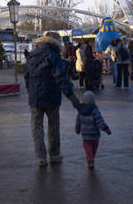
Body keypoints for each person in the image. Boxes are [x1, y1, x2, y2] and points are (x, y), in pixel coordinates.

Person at [24, 31, 79, 166]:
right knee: (53, 126)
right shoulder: (54, 56)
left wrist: (30, 91)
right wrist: (71, 97)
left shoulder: (31, 56)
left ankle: (41, 157)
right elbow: (61, 78)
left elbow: (27, 77)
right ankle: (54, 154)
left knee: (36, 127)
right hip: (51, 96)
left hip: (35, 98)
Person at [75, 90, 111, 169]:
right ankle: (91, 160)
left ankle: (90, 160)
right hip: (95, 135)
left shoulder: (80, 112)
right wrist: (106, 129)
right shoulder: (95, 111)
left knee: (88, 149)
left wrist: (77, 130)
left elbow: (78, 122)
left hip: (85, 136)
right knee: (94, 148)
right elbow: (100, 121)